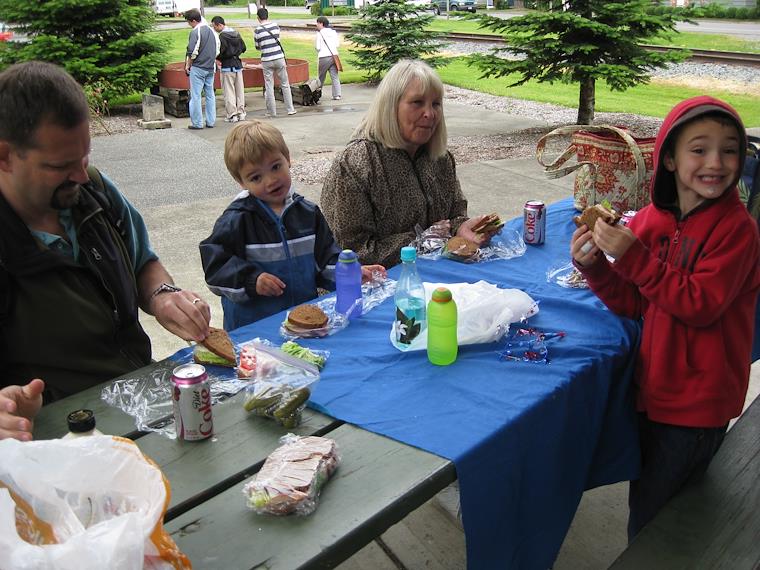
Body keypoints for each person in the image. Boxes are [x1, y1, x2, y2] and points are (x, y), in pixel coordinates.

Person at [570, 95, 760, 539]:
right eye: (699, 149)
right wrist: (595, 268)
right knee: (650, 498)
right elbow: (636, 303)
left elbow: (700, 304)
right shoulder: (651, 221)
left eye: (729, 150)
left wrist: (634, 258)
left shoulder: (737, 231)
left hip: (699, 401)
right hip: (654, 388)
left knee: (659, 519)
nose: (716, 162)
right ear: (670, 159)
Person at [0, 61, 212, 440]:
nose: (81, 175)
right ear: (4, 156)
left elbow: (143, 263)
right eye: (62, 165)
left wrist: (163, 296)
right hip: (62, 435)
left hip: (141, 400)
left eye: (84, 157)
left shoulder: (94, 190)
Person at [199, 121, 386, 330]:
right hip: (253, 329)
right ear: (241, 181)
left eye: (275, 167)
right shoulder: (237, 219)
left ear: (287, 159)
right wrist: (252, 280)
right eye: (256, 177)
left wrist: (350, 274)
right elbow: (216, 268)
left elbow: (325, 259)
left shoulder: (308, 214)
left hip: (302, 324)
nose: (270, 180)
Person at [320, 59, 498, 268]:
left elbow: (453, 217)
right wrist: (422, 241)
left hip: (443, 275)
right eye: (417, 102)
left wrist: (462, 228)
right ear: (390, 106)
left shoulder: (440, 159)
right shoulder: (357, 164)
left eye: (436, 104)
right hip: (386, 283)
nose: (430, 114)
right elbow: (352, 253)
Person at [253, 8, 296, 118]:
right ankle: (290, 109)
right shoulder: (275, 26)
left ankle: (272, 112)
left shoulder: (257, 30)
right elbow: (278, 40)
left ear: (258, 18)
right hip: (279, 58)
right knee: (285, 84)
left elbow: (257, 47)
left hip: (266, 60)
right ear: (268, 16)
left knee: (269, 86)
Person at [184, 8, 220, 129]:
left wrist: (188, 65)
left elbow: (192, 51)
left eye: (189, 22)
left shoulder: (196, 32)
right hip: (211, 67)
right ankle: (211, 121)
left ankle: (197, 123)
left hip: (198, 67)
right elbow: (217, 49)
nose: (189, 25)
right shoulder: (212, 31)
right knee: (210, 95)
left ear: (193, 21)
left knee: (196, 96)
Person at [211, 16, 247, 124]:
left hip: (227, 65)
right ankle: (241, 112)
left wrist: (218, 58)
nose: (214, 29)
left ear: (219, 25)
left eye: (214, 26)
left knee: (229, 91)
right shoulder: (236, 33)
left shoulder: (222, 36)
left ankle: (232, 114)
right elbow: (244, 48)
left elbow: (220, 52)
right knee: (239, 91)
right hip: (238, 65)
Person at [315, 16, 342, 101]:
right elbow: (337, 44)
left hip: (323, 57)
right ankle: (337, 95)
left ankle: (317, 94)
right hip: (334, 56)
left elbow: (318, 47)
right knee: (335, 76)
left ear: (321, 24)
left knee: (321, 77)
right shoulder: (334, 32)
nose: (316, 25)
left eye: (317, 23)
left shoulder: (319, 34)